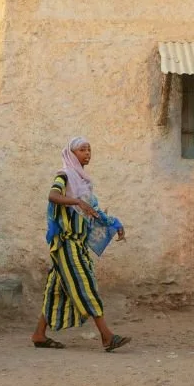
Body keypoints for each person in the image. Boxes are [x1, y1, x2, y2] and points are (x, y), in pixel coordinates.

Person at [31, 137, 131, 352]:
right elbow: (53, 196)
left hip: (78, 244)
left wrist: (115, 224)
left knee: (56, 290)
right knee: (84, 285)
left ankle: (39, 334)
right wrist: (76, 201)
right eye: (82, 150)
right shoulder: (64, 176)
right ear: (71, 154)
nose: (87, 153)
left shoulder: (84, 183)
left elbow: (94, 212)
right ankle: (107, 336)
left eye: (89, 149)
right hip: (65, 243)